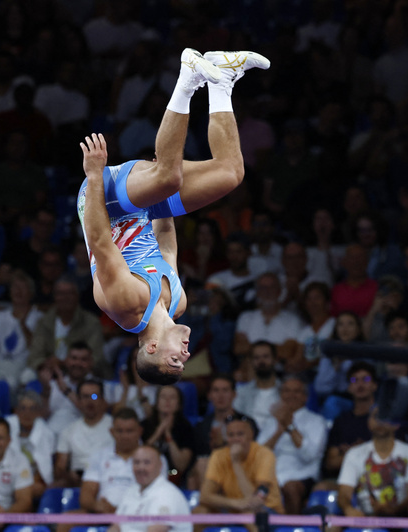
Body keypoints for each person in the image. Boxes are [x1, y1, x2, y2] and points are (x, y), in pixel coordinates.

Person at [77, 49, 270, 385]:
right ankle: (222, 78)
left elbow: (98, 240)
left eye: (175, 361)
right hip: (143, 212)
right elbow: (164, 242)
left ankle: (188, 76)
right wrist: (159, 187)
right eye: (184, 362)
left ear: (151, 347)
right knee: (230, 174)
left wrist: (94, 175)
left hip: (103, 203)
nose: (186, 355)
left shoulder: (127, 304)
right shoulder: (177, 302)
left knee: (170, 177)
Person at [257, 376, 328, 515]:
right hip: (272, 476)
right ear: (281, 395)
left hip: (302, 476)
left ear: (305, 397)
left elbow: (309, 456)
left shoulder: (316, 421)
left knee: (290, 488)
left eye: (296, 391)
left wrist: (290, 427)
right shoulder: (270, 422)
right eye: (287, 391)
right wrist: (278, 432)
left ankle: (291, 527)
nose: (291, 395)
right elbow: (258, 455)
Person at [194, 413, 283, 522]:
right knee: (199, 512)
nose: (236, 439)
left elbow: (254, 499)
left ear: (251, 435)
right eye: (231, 435)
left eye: (240, 434)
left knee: (248, 514)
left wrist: (236, 462)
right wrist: (235, 503)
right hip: (234, 508)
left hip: (267, 510)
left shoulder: (264, 454)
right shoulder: (218, 455)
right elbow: (205, 496)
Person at [337, 407, 408, 517]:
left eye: (385, 417)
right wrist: (348, 508)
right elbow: (344, 493)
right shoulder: (354, 454)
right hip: (365, 519)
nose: (380, 421)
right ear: (369, 422)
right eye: (376, 416)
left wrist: (394, 510)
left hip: (402, 518)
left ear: (397, 424)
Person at [190, 374, 255, 490]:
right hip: (209, 474)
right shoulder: (201, 427)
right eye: (216, 390)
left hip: (241, 471)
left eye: (225, 390)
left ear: (234, 394)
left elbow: (252, 454)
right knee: (199, 467)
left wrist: (224, 444)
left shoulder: (247, 423)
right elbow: (197, 456)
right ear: (209, 395)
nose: (220, 396)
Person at [110, 445, 192, 532]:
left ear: (160, 465)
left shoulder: (166, 494)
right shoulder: (131, 490)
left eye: (147, 462)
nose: (141, 468)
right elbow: (116, 527)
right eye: (136, 462)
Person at [54, 379, 114, 487]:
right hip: (78, 482)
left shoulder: (116, 427)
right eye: (85, 397)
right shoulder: (68, 430)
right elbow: (60, 468)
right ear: (79, 400)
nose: (90, 401)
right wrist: (69, 476)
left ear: (102, 399)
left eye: (94, 396)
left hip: (109, 480)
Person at [5, 390, 55, 499]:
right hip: (6, 477)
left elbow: (44, 467)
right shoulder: (6, 428)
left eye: (32, 409)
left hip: (32, 480)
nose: (27, 413)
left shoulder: (46, 433)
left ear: (38, 412)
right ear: (16, 411)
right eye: (23, 408)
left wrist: (27, 483)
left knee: (36, 489)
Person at [141, 385, 195, 485]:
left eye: (172, 397)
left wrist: (168, 435)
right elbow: (138, 457)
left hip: (174, 476)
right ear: (156, 403)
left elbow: (181, 465)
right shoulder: (144, 425)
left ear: (179, 405)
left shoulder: (186, 428)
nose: (167, 400)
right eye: (163, 397)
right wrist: (158, 433)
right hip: (147, 474)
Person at [232, 342, 281, 432]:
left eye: (266, 357)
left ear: (275, 359)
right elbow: (235, 421)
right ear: (251, 361)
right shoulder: (241, 392)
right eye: (256, 358)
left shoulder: (286, 392)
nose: (261, 361)